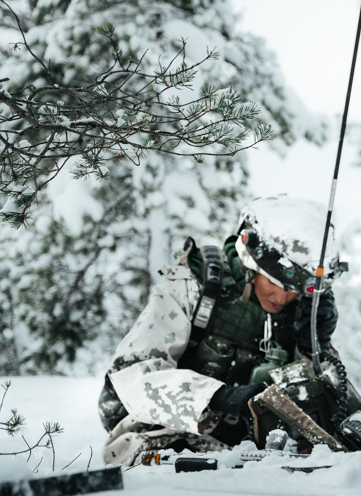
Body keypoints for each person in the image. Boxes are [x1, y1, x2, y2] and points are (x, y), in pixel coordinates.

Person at [98, 196, 345, 466]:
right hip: (165, 434)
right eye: (274, 282)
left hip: (255, 448)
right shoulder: (196, 284)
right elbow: (132, 373)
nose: (283, 296)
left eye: (295, 288)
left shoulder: (300, 311)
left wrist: (314, 347)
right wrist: (217, 397)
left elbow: (323, 405)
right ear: (250, 263)